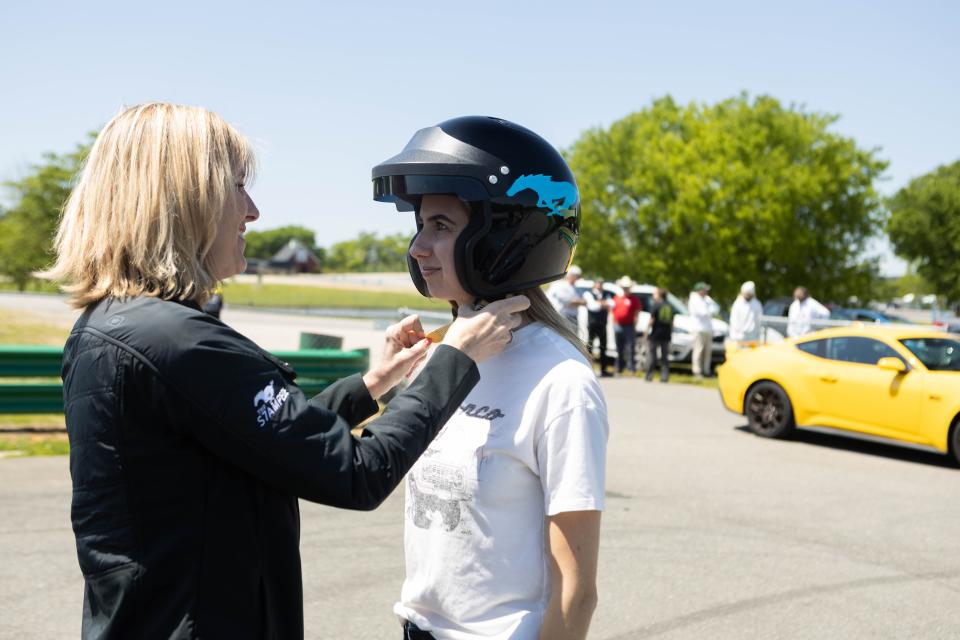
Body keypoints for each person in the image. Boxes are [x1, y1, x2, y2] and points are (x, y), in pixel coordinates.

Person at [44, 103, 528, 639]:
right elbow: (357, 473)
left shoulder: (119, 326)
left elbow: (251, 440)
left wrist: (373, 384)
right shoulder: (177, 342)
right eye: (236, 186)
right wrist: (454, 358)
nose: (251, 211)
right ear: (184, 200)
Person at [373, 115, 609, 640]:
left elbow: (577, 590)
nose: (417, 248)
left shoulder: (560, 381)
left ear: (505, 238)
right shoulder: (443, 357)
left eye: (441, 226)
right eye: (420, 226)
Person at [611, 275, 643, 374]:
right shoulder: (617, 298)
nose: (626, 289)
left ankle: (631, 367)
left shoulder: (634, 299)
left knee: (630, 347)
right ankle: (619, 366)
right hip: (618, 325)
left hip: (629, 325)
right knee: (619, 347)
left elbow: (637, 312)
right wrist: (614, 322)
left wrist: (635, 323)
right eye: (624, 288)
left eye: (627, 287)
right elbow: (613, 311)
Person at [688, 281, 719, 378]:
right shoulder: (694, 299)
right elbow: (703, 312)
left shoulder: (707, 299)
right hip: (698, 328)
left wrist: (710, 310)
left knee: (707, 352)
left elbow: (716, 308)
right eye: (704, 290)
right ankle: (697, 371)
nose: (706, 292)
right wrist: (710, 310)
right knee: (699, 350)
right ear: (700, 290)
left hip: (708, 329)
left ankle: (706, 371)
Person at [583, 278, 613, 376]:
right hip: (592, 324)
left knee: (603, 347)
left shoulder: (606, 294)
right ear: (594, 285)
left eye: (601, 283)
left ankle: (603, 370)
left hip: (602, 324)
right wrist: (604, 304)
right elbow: (593, 307)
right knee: (590, 346)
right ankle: (587, 368)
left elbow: (612, 304)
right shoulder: (588, 294)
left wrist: (600, 304)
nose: (599, 285)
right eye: (597, 283)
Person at [644, 287, 673, 382]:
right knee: (665, 356)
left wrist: (646, 330)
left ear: (659, 295)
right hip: (666, 334)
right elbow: (672, 321)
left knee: (652, 355)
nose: (653, 296)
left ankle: (649, 375)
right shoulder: (669, 306)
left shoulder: (656, 305)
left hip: (656, 333)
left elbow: (652, 319)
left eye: (655, 294)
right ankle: (664, 376)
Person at [728, 280, 764, 348]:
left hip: (752, 337)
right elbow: (734, 321)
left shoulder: (757, 304)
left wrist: (758, 336)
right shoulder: (738, 304)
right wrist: (734, 335)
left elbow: (759, 321)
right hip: (739, 337)